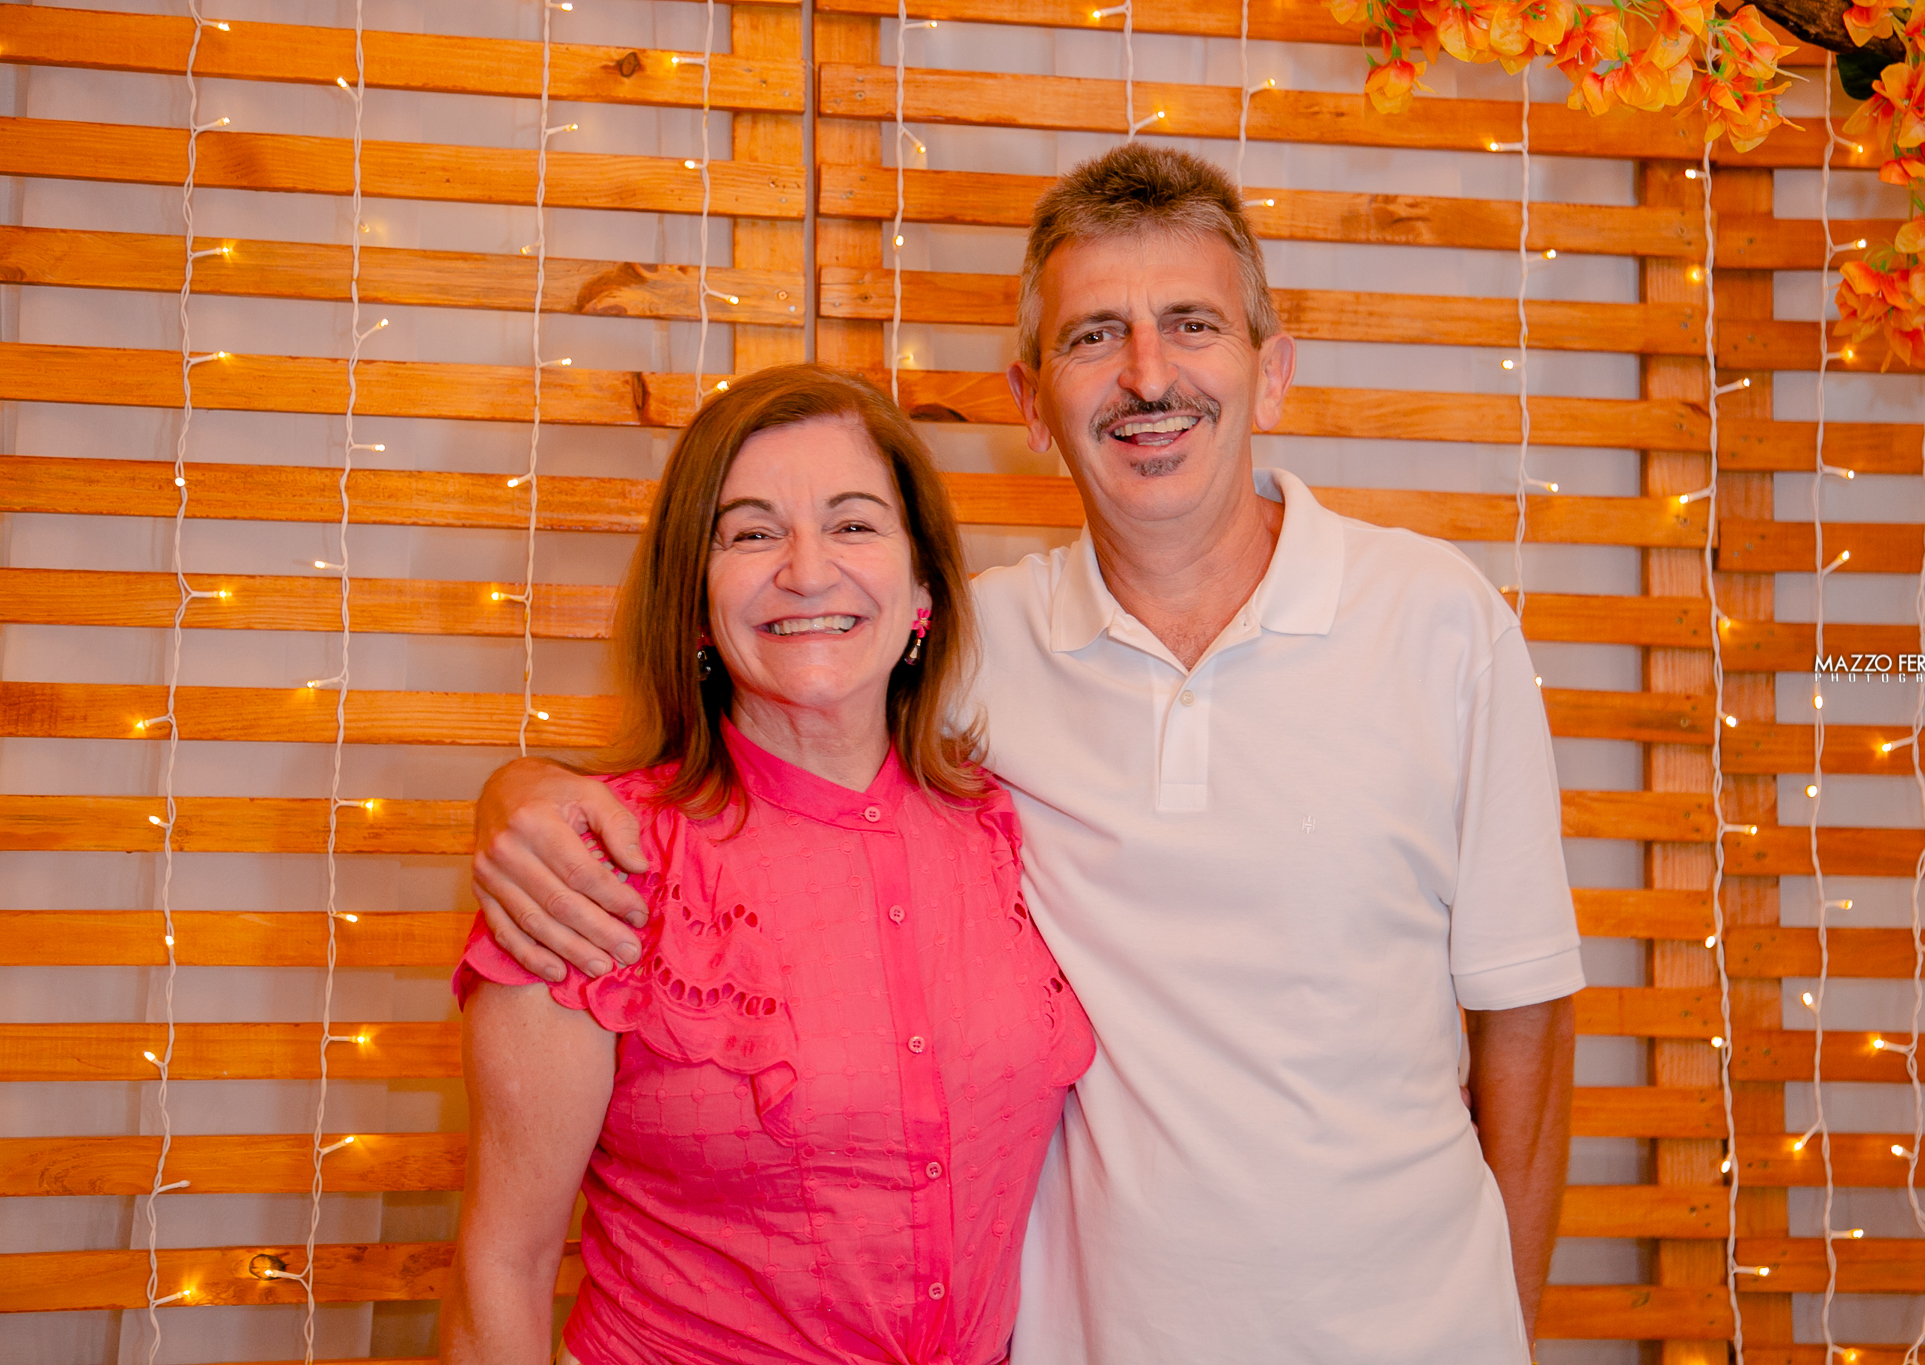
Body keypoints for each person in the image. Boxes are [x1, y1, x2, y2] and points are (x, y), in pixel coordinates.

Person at [469, 147, 1581, 1364]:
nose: (1146, 374)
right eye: (1093, 336)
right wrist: (519, 797)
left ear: (1272, 373)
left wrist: (1506, 1331)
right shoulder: (972, 648)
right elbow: (778, 702)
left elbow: (1524, 1020)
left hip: (1420, 1332)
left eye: (1192, 324)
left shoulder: (1439, 621)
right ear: (1030, 400)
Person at [441, 365, 1094, 1365]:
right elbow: (503, 1266)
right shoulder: (589, 867)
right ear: (696, 602)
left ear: (923, 588)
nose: (807, 570)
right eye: (750, 534)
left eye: (853, 523)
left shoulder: (1007, 824)